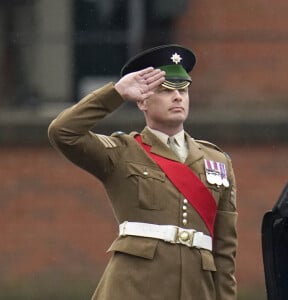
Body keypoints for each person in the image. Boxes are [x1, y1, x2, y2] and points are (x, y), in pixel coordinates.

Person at [48, 44, 238, 300]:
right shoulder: (123, 152)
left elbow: (225, 252)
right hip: (134, 289)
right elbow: (63, 132)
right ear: (142, 101)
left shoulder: (217, 162)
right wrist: (116, 93)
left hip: (196, 290)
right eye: (165, 91)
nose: (178, 97)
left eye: (183, 90)